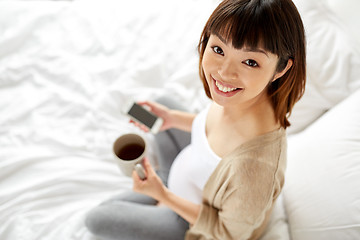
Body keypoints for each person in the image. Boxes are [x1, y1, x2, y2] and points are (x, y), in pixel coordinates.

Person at [85, 0, 306, 239]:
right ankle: (167, 176)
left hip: (191, 219)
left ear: (281, 69)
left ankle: (164, 186)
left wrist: (163, 196)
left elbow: (227, 232)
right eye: (219, 49)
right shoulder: (242, 98)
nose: (224, 73)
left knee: (97, 219)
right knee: (164, 103)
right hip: (189, 171)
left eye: (250, 62)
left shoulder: (256, 170)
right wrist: (171, 119)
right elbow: (210, 129)